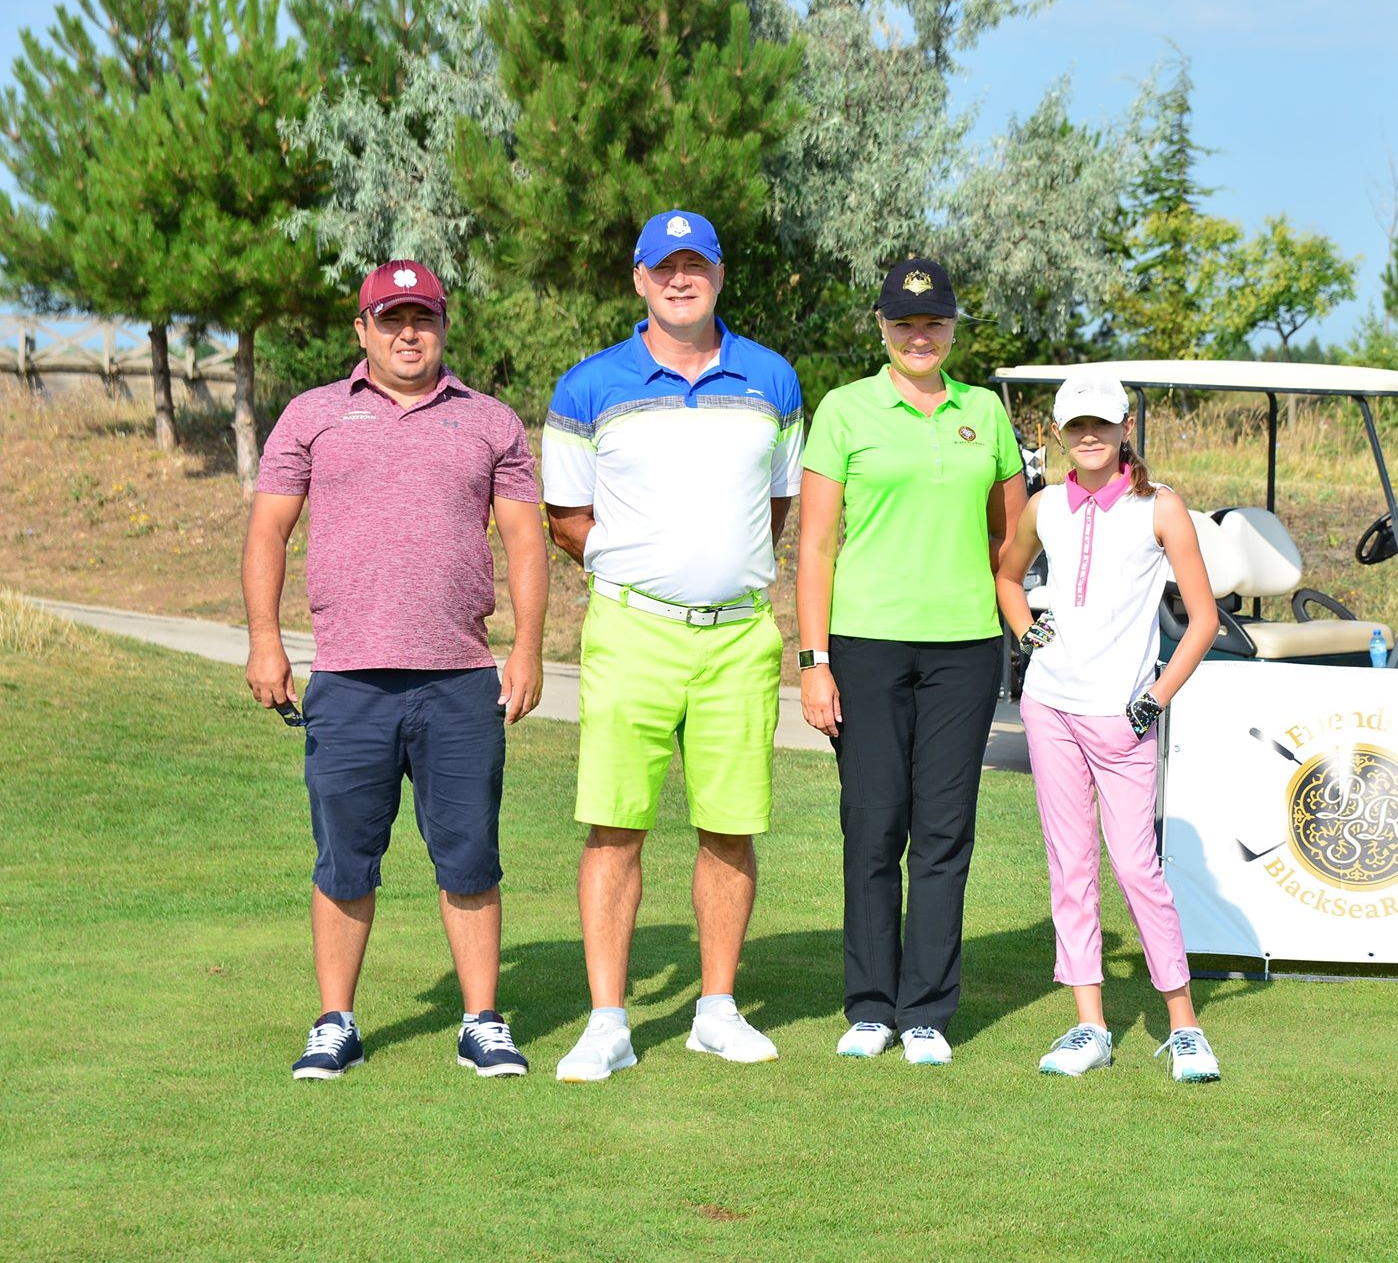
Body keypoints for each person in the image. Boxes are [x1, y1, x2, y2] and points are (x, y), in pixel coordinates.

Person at [244, 258, 548, 1081]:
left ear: (444, 325)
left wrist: (526, 649)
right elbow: (268, 532)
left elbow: (526, 542)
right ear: (363, 329)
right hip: (348, 680)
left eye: (423, 318)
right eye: (391, 319)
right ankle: (334, 1022)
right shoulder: (312, 415)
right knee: (344, 859)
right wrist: (265, 641)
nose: (408, 334)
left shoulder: (490, 422)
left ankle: (482, 1022)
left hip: (460, 679)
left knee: (470, 857)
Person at [543, 210, 803, 1080]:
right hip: (631, 631)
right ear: (639, 279)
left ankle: (716, 1012)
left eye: (695, 266)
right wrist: (646, 568)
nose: (680, 280)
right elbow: (566, 519)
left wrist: (716, 571)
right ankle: (608, 1023)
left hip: (738, 637)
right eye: (664, 268)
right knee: (615, 826)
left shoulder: (772, 379)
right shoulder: (589, 385)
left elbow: (774, 507)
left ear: (719, 275)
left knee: (730, 828)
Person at [797, 257, 1026, 1065]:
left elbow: (1011, 538)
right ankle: (870, 1006)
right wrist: (814, 659)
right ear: (883, 327)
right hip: (866, 644)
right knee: (873, 822)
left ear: (953, 328)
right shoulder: (845, 409)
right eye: (904, 323)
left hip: (965, 647)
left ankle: (925, 1009)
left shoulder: (985, 412)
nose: (919, 336)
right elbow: (815, 545)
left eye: (933, 323)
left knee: (943, 828)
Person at [993, 373, 1224, 1082]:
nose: (1089, 436)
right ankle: (1089, 1025)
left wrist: (1155, 698)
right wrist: (1028, 633)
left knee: (1135, 868)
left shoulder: (1161, 506)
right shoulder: (1045, 507)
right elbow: (1007, 576)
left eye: (1102, 423)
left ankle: (1184, 1026)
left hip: (1125, 717)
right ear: (1060, 434)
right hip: (1051, 709)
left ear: (1126, 428)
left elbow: (1203, 619)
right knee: (1071, 868)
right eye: (1076, 426)